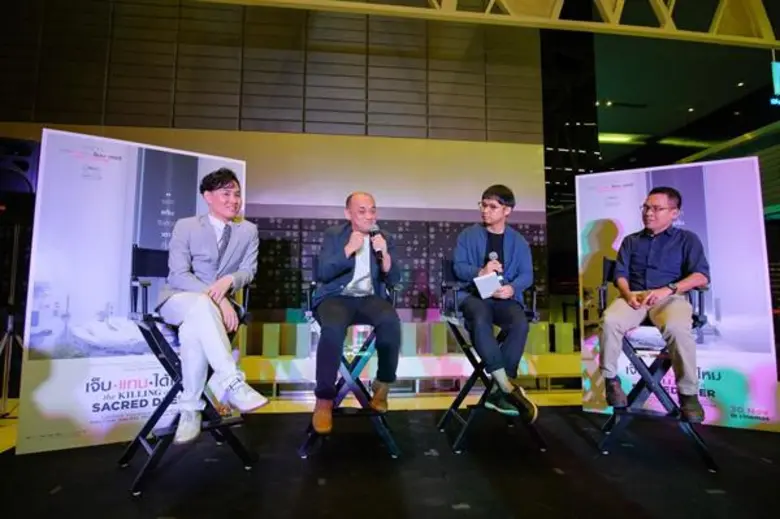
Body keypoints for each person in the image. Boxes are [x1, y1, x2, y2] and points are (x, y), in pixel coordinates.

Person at [158, 167, 269, 444]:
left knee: (192, 331)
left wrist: (230, 280)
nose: (234, 200)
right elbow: (178, 275)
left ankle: (190, 410)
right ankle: (233, 382)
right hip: (178, 299)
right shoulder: (186, 226)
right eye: (226, 194)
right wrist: (217, 298)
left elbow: (248, 271)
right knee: (200, 306)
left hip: (207, 310)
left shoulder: (248, 231)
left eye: (237, 194)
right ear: (207, 196)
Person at [600, 186, 709, 423]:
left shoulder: (687, 240)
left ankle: (688, 394)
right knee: (609, 320)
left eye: (656, 208)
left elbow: (701, 276)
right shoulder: (631, 241)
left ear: (674, 213)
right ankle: (611, 381)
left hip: (670, 297)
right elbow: (620, 274)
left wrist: (668, 289)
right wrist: (627, 294)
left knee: (677, 328)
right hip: (634, 296)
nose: (648, 213)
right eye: (646, 207)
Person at [310, 191, 402, 435]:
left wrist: (385, 256)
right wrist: (349, 249)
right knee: (332, 330)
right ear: (348, 214)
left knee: (391, 321)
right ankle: (324, 399)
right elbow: (323, 272)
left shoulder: (384, 237)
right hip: (336, 297)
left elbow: (395, 279)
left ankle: (382, 385)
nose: (369, 216)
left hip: (369, 299)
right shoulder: (334, 235)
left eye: (372, 210)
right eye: (362, 211)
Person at [452, 184, 538, 423]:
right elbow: (458, 267)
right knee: (480, 317)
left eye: (492, 206)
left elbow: (527, 275)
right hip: (474, 297)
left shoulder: (518, 241)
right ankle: (505, 385)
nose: (485, 210)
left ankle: (498, 392)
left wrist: (512, 288)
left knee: (519, 322)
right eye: (483, 205)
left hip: (503, 298)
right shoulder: (468, 235)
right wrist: (480, 271)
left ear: (507, 210)